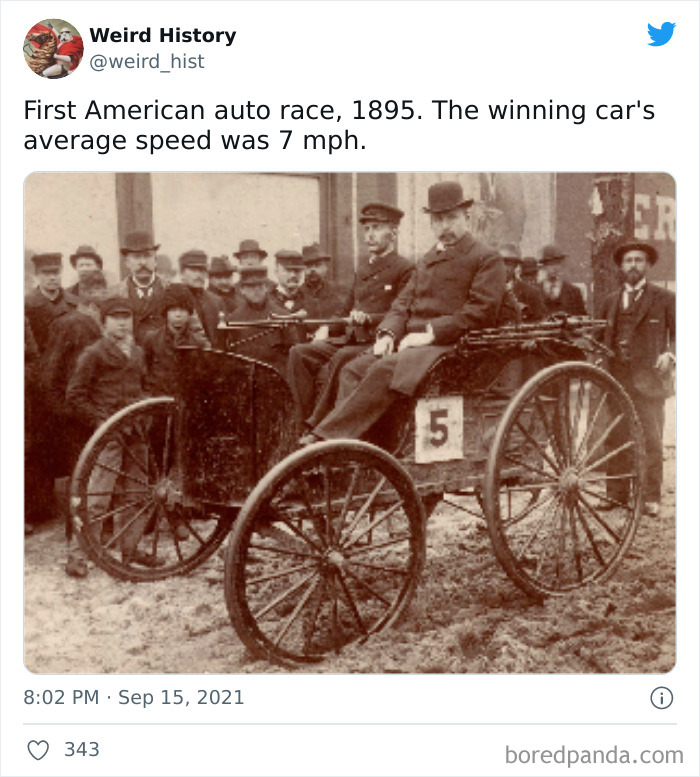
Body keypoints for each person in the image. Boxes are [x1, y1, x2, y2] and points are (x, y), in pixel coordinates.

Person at [304, 181, 505, 443]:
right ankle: (356, 447)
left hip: (452, 346)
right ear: (431, 223)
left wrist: (431, 333)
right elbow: (402, 303)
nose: (444, 227)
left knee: (383, 369)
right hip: (413, 345)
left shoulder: (485, 258)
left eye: (451, 218)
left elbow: (481, 311)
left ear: (466, 218)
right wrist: (387, 333)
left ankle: (330, 440)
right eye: (438, 220)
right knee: (353, 368)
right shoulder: (426, 260)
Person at [288, 202, 413, 430]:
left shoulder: (404, 268)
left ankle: (322, 425)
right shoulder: (363, 268)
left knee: (343, 357)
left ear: (393, 232)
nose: (370, 235)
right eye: (366, 229)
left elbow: (402, 313)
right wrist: (326, 328)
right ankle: (300, 422)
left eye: (376, 228)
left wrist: (369, 319)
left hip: (377, 343)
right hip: (352, 339)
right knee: (300, 353)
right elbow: (344, 310)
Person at [65, 297, 160, 569]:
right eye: (115, 317)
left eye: (126, 317)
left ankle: (131, 548)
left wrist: (145, 409)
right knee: (97, 495)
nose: (122, 322)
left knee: (138, 493)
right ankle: (78, 555)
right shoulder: (94, 354)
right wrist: (100, 421)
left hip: (136, 431)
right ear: (104, 322)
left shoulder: (138, 352)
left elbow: (142, 386)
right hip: (109, 435)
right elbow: (75, 396)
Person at [596, 241, 675, 517]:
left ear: (648, 265)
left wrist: (670, 354)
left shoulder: (664, 298)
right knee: (616, 435)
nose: (633, 266)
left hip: (650, 380)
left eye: (639, 260)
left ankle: (650, 496)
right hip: (616, 378)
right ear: (621, 266)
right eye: (628, 261)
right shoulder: (609, 301)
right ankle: (616, 495)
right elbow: (598, 339)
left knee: (650, 438)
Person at [42, 270, 108, 473]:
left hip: (101, 406)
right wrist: (63, 410)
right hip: (75, 410)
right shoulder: (68, 323)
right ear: (82, 292)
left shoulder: (110, 322)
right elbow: (50, 372)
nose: (97, 294)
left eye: (101, 289)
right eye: (92, 289)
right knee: (80, 468)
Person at [143, 284, 209, 396]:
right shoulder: (152, 339)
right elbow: (145, 374)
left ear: (189, 313)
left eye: (182, 310)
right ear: (165, 312)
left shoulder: (198, 343)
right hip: (159, 400)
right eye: (173, 310)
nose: (178, 315)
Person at [226, 267, 289, 371]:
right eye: (250, 287)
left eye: (260, 286)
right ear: (242, 290)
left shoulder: (282, 315)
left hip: (275, 376)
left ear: (266, 288)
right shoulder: (233, 319)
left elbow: (290, 354)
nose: (256, 291)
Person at [25, 252, 75, 354]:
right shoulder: (26, 305)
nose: (52, 278)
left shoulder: (75, 303)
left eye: (56, 273)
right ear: (37, 275)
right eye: (46, 274)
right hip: (38, 364)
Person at [178, 249, 225, 347]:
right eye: (193, 270)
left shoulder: (216, 301)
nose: (199, 275)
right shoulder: (174, 300)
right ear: (182, 273)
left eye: (202, 270)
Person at [498, 243, 546, 323]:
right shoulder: (486, 291)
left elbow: (539, 323)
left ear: (516, 265)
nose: (504, 268)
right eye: (501, 263)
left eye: (509, 264)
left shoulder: (532, 293)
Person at [538, 244, 587, 317]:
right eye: (551, 264)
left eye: (557, 263)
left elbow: (582, 319)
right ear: (544, 266)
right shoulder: (535, 291)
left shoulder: (574, 292)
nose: (555, 268)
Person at [300, 243, 344, 318]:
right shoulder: (298, 294)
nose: (312, 270)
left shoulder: (338, 291)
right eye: (308, 266)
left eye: (318, 265)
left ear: (326, 268)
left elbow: (344, 314)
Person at [270, 250, 314, 315]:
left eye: (297, 270)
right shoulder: (266, 300)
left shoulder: (310, 301)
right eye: (287, 270)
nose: (293, 275)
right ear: (276, 271)